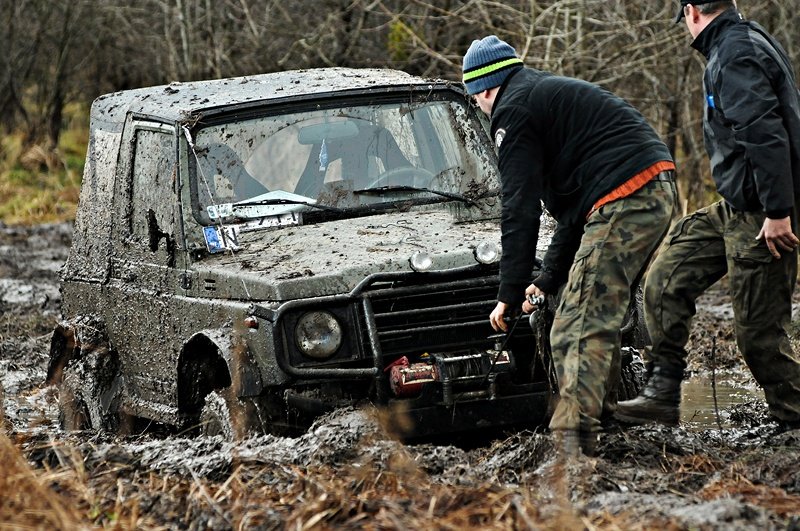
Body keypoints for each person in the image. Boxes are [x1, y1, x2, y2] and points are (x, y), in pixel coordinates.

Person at [463, 36, 677, 455]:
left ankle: (571, 445)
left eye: (475, 101)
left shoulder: (513, 111)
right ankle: (608, 423)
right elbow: (573, 214)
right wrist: (545, 280)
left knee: (576, 324)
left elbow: (519, 210)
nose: (480, 108)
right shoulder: (540, 95)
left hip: (627, 197)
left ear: (484, 89)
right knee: (596, 310)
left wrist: (507, 295)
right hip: (651, 188)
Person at [616, 1, 800, 430]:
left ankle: (795, 418)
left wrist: (777, 212)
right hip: (736, 206)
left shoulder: (736, 53)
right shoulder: (736, 44)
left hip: (762, 214)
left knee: (758, 336)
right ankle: (662, 395)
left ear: (692, 11)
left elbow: (765, 134)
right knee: (665, 278)